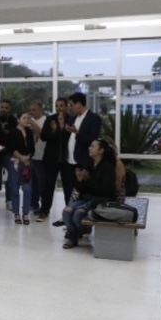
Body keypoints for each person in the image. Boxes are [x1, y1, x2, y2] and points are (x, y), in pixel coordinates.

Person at [61, 137, 123, 249]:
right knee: (67, 211)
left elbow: (106, 190)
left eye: (93, 146)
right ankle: (73, 237)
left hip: (100, 200)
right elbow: (81, 189)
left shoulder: (108, 167)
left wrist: (88, 179)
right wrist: (80, 180)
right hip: (87, 198)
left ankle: (80, 231)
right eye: (90, 146)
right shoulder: (89, 165)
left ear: (101, 150)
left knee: (77, 215)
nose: (89, 148)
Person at [58, 93, 101, 223]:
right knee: (68, 190)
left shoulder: (93, 118)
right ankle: (68, 216)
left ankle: (82, 220)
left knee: (83, 192)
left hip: (83, 162)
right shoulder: (72, 119)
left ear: (79, 103)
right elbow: (65, 139)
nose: (70, 108)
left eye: (71, 105)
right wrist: (62, 128)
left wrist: (76, 132)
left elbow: (92, 140)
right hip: (68, 161)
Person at [4, 112, 36, 224]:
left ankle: (25, 213)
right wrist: (21, 157)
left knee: (27, 189)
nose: (26, 120)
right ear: (18, 119)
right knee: (14, 188)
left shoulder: (29, 132)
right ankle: (16, 213)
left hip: (27, 163)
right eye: (24, 118)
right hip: (15, 163)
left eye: (28, 118)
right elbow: (11, 148)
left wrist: (28, 157)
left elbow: (32, 149)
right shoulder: (13, 132)